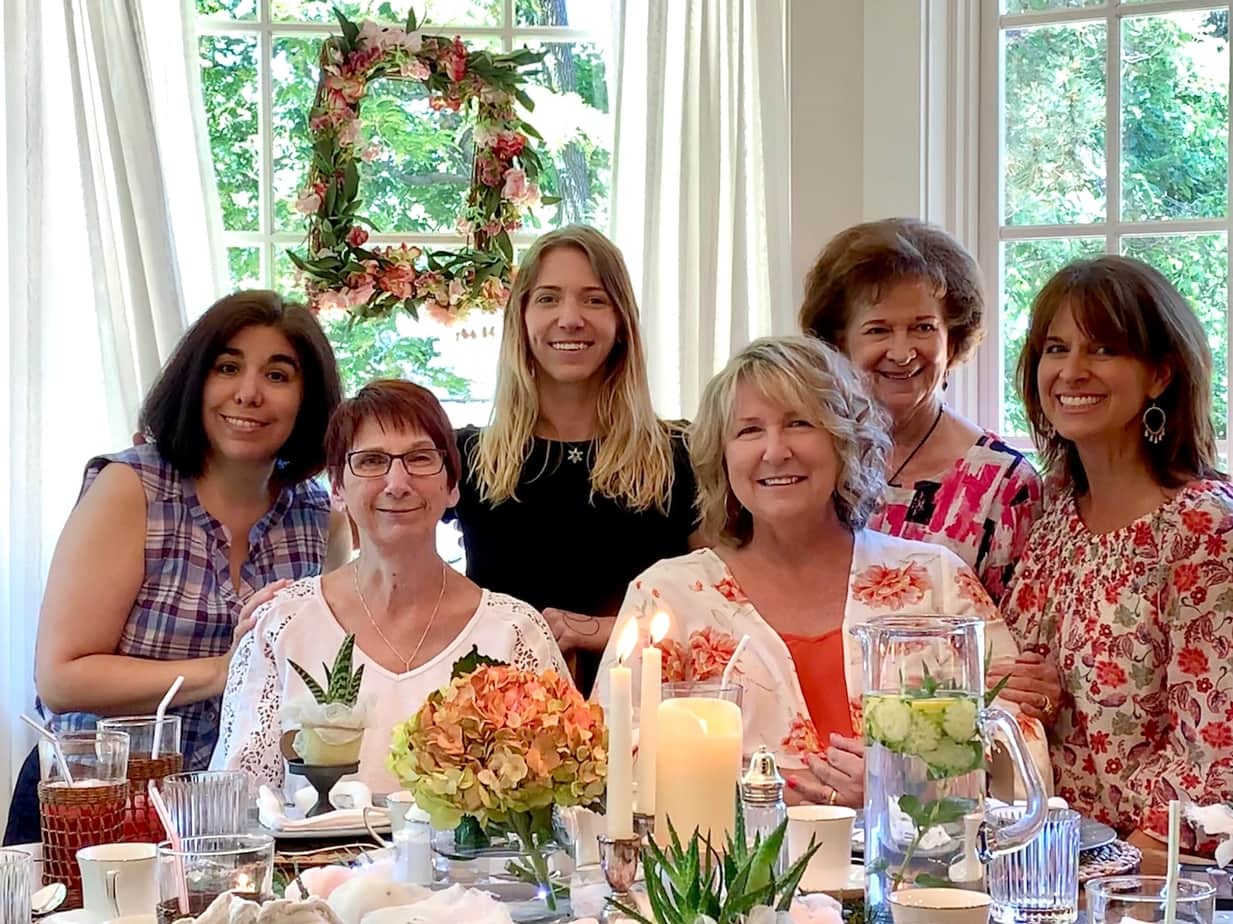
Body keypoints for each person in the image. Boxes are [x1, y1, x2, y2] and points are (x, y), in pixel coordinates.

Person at [595, 336, 1038, 808]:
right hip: (730, 878)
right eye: (748, 431)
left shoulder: (938, 581)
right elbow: (615, 764)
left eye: (799, 423)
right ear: (721, 457)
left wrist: (905, 785)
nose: (775, 450)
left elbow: (1018, 745)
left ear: (844, 440)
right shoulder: (666, 596)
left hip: (917, 875)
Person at [5, 292, 348, 846]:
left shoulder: (321, 517)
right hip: (95, 804)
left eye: (278, 375)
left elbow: (323, 677)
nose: (248, 392)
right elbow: (62, 677)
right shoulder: (130, 487)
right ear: (196, 380)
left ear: (308, 399)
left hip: (240, 819)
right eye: (228, 367)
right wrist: (224, 670)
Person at [213, 380, 568, 794]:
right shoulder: (282, 623)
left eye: (420, 458)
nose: (397, 483)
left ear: (452, 486)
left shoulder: (514, 632)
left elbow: (556, 804)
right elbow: (238, 805)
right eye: (371, 461)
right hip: (312, 861)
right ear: (339, 488)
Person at [1000, 255, 1233, 858]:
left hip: (1154, 875)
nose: (1071, 371)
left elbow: (1215, 750)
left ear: (1159, 374)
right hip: (1039, 854)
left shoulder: (1202, 527)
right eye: (1056, 348)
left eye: (1103, 349)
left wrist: (1120, 875)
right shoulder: (1048, 511)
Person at [450, 225, 697, 695]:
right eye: (547, 298)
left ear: (622, 321)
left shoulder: (679, 455)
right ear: (520, 318)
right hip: (498, 733)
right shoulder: (469, 457)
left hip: (647, 720)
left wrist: (596, 630)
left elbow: (718, 601)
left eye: (594, 299)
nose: (570, 318)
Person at [800, 219, 1041, 601]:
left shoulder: (1004, 486)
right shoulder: (804, 459)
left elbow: (1011, 644)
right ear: (839, 342)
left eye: (923, 328)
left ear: (954, 339)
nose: (901, 352)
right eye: (878, 330)